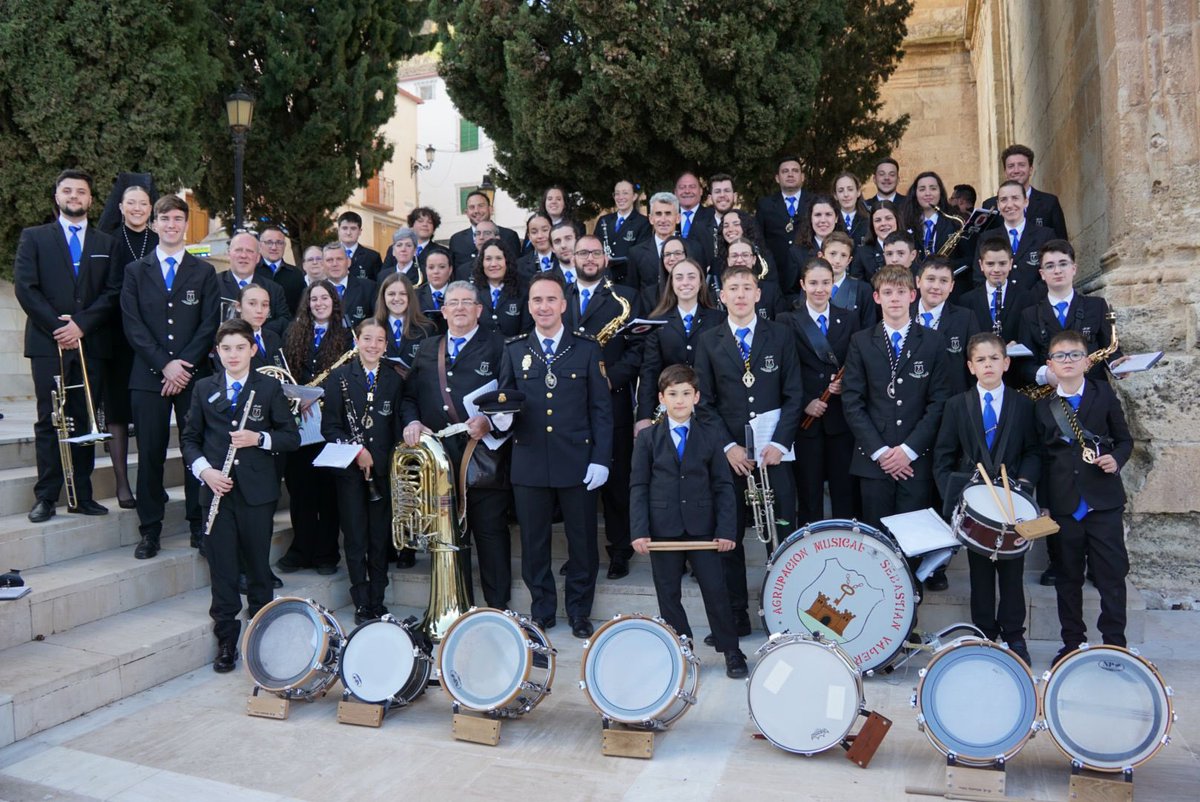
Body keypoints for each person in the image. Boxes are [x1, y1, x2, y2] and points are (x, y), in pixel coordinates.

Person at [498, 273, 613, 638]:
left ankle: (579, 611)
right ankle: (542, 610)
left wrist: (601, 459)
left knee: (582, 543)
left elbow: (601, 409)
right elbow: (504, 406)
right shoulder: (514, 349)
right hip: (529, 462)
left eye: (551, 300)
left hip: (577, 462)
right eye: (537, 300)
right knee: (534, 545)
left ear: (564, 305)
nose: (544, 307)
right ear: (529, 306)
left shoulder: (586, 348)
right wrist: (499, 422)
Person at [182, 318, 299, 673]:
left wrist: (258, 439)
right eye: (226, 349)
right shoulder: (204, 388)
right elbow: (189, 439)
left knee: (259, 569)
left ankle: (263, 635)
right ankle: (227, 641)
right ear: (217, 353)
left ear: (252, 350)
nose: (233, 354)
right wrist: (206, 472)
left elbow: (290, 437)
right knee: (223, 570)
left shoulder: (268, 388)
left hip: (256, 494)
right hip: (217, 491)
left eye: (239, 348)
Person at [694, 266, 803, 639]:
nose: (740, 295)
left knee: (783, 535)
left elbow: (793, 395)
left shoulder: (781, 335)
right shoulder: (709, 341)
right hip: (732, 461)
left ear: (759, 294)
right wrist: (728, 447)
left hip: (775, 456)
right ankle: (735, 616)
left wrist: (779, 443)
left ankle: (785, 612)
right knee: (729, 539)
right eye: (732, 289)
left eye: (747, 288)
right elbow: (704, 404)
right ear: (721, 296)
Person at [15, 169, 121, 524]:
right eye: (67, 191)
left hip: (91, 343)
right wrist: (59, 328)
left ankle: (82, 494)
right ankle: (46, 496)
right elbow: (25, 288)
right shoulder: (34, 237)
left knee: (86, 418)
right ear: (56, 196)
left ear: (91, 199)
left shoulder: (107, 243)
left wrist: (81, 326)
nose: (74, 196)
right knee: (51, 419)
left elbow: (112, 293)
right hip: (49, 344)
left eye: (81, 192)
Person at [630, 364, 748, 678]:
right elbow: (639, 486)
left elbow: (723, 486)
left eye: (685, 393)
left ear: (696, 396)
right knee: (668, 595)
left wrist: (726, 529)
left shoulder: (710, 436)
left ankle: (732, 651)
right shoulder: (647, 438)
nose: (679, 400)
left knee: (715, 591)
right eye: (672, 394)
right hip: (663, 530)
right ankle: (682, 651)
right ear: (661, 398)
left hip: (704, 530)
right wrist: (640, 531)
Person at [402, 281, 513, 609]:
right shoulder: (427, 348)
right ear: (444, 310)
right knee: (450, 542)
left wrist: (489, 421)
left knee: (491, 538)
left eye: (468, 302)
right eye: (454, 302)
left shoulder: (498, 346)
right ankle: (459, 610)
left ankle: (497, 611)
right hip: (439, 464)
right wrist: (411, 421)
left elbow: (509, 397)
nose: (461, 308)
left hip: (482, 460)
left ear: (479, 309)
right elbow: (408, 397)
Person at [932, 333, 1039, 666]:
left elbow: (1034, 451)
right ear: (970, 366)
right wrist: (956, 498)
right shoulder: (957, 405)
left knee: (1012, 571)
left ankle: (1014, 636)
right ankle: (983, 633)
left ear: (1006, 363)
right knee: (980, 572)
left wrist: (1024, 484)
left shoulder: (1023, 405)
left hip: (1012, 503)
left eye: (994, 358)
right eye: (981, 360)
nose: (988, 365)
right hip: (976, 505)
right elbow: (943, 457)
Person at [122, 194, 219, 557]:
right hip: (148, 377)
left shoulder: (204, 272)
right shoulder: (136, 271)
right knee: (150, 453)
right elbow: (133, 325)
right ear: (154, 224)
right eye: (165, 219)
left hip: (193, 379)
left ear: (185, 225)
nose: (172, 225)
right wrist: (165, 364)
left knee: (195, 451)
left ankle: (199, 525)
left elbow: (209, 324)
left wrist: (183, 366)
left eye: (179, 219)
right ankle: (150, 529)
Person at [1035, 330, 1132, 665]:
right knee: (1067, 578)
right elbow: (1043, 460)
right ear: (1050, 364)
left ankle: (1114, 645)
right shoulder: (1044, 407)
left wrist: (1116, 460)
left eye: (1075, 354)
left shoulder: (1103, 394)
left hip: (1103, 502)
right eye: (1060, 356)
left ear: (1088, 361)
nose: (1068, 361)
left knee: (1111, 576)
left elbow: (1124, 441)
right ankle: (1072, 643)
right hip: (1064, 506)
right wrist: (1044, 504)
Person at [841, 265, 951, 531]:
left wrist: (908, 451)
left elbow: (939, 402)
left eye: (901, 292)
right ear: (876, 298)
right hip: (873, 461)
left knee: (913, 540)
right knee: (876, 541)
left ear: (913, 296)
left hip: (916, 461)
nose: (894, 299)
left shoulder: (933, 341)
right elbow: (852, 402)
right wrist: (881, 453)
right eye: (887, 292)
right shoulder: (861, 341)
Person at [565, 235, 643, 579]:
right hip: (568, 402)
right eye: (583, 252)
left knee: (616, 481)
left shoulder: (625, 298)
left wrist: (609, 379)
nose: (590, 258)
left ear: (606, 259)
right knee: (573, 483)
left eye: (596, 252)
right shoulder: (558, 296)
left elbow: (638, 349)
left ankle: (620, 550)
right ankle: (579, 552)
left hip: (613, 398)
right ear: (572, 257)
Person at [323, 319, 403, 624]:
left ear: (385, 345)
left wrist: (383, 459)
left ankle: (377, 598)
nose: (372, 345)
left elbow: (395, 425)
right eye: (367, 339)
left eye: (379, 340)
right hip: (350, 473)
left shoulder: (394, 380)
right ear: (356, 341)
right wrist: (357, 451)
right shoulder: (339, 378)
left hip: (381, 473)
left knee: (379, 537)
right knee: (355, 537)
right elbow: (329, 426)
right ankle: (361, 599)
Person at [275, 280, 351, 576]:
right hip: (299, 422)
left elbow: (346, 378)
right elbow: (285, 374)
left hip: (330, 421)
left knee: (328, 490)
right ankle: (301, 549)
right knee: (300, 488)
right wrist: (297, 396)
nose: (319, 303)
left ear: (334, 301)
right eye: (314, 298)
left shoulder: (346, 336)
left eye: (325, 298)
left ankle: (326, 553)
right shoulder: (293, 333)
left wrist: (319, 395)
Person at [779, 258, 856, 524]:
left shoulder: (849, 319)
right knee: (809, 493)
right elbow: (785, 371)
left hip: (840, 420)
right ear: (803, 284)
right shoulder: (787, 321)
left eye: (825, 282)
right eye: (813, 283)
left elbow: (856, 365)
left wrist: (846, 385)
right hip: (806, 423)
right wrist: (804, 402)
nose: (819, 289)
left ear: (833, 285)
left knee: (843, 493)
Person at [106, 183, 158, 509]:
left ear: (150, 208)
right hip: (115, 338)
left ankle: (149, 484)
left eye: (143, 203)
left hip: (149, 340)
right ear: (121, 207)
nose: (137, 208)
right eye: (131, 203)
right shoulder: (109, 240)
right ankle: (122, 483)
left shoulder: (159, 242)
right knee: (117, 411)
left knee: (147, 413)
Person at [1016, 239, 1123, 390]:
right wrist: (1046, 374)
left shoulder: (1097, 306)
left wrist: (1117, 366)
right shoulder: (1029, 315)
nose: (1057, 270)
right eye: (1050, 266)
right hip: (1051, 399)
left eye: (1063, 263)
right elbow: (1024, 366)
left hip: (1095, 394)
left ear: (1074, 268)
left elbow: (1111, 350)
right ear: (1042, 274)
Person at [635, 258, 726, 433]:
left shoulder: (719, 319)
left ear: (701, 282)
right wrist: (643, 416)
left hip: (711, 411)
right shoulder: (657, 321)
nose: (685, 282)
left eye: (691, 277)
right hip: (670, 411)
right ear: (672, 284)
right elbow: (649, 372)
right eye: (679, 277)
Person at [914, 255, 982, 396]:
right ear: (918, 281)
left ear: (951, 286)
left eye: (944, 281)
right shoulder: (902, 315)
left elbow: (974, 364)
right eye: (930, 279)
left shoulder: (966, 318)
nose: (936, 287)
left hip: (952, 403)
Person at [973, 180, 1054, 290]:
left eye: (1015, 198)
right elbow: (979, 278)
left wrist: (1030, 299)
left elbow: (1051, 272)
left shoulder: (1045, 235)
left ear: (1026, 202)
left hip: (1037, 304)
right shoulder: (986, 238)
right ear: (998, 205)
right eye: (1003, 200)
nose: (1009, 205)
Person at [983, 144, 1069, 240]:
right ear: (1005, 172)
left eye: (1021, 165)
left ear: (1031, 169)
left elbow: (1062, 242)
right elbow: (983, 243)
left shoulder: (1049, 202)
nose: (1016, 170)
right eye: (1011, 166)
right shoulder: (990, 205)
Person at [961, 237, 1032, 353]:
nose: (996, 269)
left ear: (1011, 264)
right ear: (981, 265)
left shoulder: (1026, 297)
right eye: (990, 264)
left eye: (1002, 263)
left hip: (1014, 366)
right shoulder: (967, 300)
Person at [626, 192, 706, 294]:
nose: (663, 220)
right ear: (651, 219)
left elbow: (701, 287)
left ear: (678, 218)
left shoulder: (695, 249)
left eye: (668, 214)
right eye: (658, 214)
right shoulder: (636, 253)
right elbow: (633, 292)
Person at [218, 232, 291, 336]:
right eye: (238, 250)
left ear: (257, 258)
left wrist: (255, 331)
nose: (243, 255)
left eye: (249, 251)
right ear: (229, 254)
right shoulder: (213, 284)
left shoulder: (274, 289)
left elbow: (284, 320)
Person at [373, 272, 436, 375]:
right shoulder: (372, 328)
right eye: (391, 294)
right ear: (383, 297)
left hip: (415, 389)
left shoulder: (427, 328)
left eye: (403, 294)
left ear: (410, 297)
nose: (397, 298)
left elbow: (431, 368)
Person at [755, 156, 810, 272]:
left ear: (803, 177)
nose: (790, 175)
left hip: (808, 268)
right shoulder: (765, 205)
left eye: (795, 171)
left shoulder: (814, 202)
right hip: (777, 271)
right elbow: (759, 240)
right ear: (777, 178)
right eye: (785, 171)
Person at [471, 239, 531, 337]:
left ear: (507, 261)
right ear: (482, 262)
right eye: (488, 259)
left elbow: (526, 331)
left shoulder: (524, 290)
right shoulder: (473, 291)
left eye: (499, 258)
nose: (493, 264)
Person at [449, 190, 522, 270]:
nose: (476, 211)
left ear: (490, 209)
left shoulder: (509, 236)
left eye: (481, 206)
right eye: (472, 207)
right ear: (467, 212)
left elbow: (516, 268)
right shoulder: (456, 240)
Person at [785, 194, 841, 297]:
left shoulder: (848, 248)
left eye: (828, 214)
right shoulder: (796, 252)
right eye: (818, 215)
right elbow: (790, 294)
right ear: (810, 218)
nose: (823, 220)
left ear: (836, 218)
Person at [901, 171, 962, 262]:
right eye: (922, 189)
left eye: (933, 189)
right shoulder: (905, 222)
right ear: (915, 194)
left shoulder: (954, 222)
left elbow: (967, 258)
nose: (927, 193)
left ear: (940, 192)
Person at [821, 231, 876, 331]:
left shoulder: (863, 290)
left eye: (843, 255)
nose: (837, 260)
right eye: (833, 254)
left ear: (849, 260)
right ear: (822, 256)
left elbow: (869, 328)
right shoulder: (811, 287)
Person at [594, 180, 651, 270]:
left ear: (634, 196)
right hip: (604, 275)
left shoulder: (643, 222)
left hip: (629, 277)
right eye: (617, 194)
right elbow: (595, 247)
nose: (620, 197)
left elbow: (641, 254)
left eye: (625, 193)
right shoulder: (604, 220)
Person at [322, 242, 376, 328]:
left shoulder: (369, 288)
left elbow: (376, 321)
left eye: (339, 259)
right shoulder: (314, 290)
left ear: (348, 262)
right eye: (329, 260)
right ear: (322, 264)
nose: (335, 264)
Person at [255, 225, 305, 314]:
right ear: (259, 245)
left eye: (279, 243)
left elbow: (303, 306)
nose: (274, 247)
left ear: (284, 245)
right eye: (269, 242)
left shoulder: (296, 274)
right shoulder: (252, 272)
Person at [851, 200, 905, 282]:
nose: (883, 223)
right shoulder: (862, 254)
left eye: (888, 218)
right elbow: (858, 289)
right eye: (878, 220)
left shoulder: (908, 247)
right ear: (872, 225)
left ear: (897, 220)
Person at [233, 284, 283, 371]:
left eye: (265, 305)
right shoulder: (230, 338)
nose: (259, 310)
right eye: (252, 303)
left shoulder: (273, 337)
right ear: (238, 306)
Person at [637, 234, 689, 312]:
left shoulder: (697, 289)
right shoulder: (649, 295)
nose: (672, 258)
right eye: (667, 254)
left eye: (677, 253)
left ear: (687, 256)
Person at [675, 171, 716, 267]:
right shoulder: (668, 218)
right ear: (675, 192)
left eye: (692, 187)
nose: (687, 191)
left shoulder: (712, 216)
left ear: (701, 191)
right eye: (682, 187)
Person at [416, 244, 455, 333]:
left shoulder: (459, 295)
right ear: (425, 270)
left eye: (441, 267)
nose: (436, 272)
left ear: (450, 270)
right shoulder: (415, 296)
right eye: (431, 267)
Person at [337, 211, 383, 281]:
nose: (348, 232)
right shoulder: (327, 254)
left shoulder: (372, 257)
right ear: (338, 230)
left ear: (360, 231)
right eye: (345, 228)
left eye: (353, 228)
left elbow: (378, 285)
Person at [832, 171, 872, 247]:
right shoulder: (830, 220)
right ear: (835, 195)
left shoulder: (869, 217)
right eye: (841, 191)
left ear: (858, 192)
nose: (846, 194)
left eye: (850, 189)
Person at [517, 212, 559, 282]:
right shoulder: (520, 266)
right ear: (529, 236)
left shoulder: (564, 259)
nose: (540, 236)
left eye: (545, 230)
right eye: (534, 232)